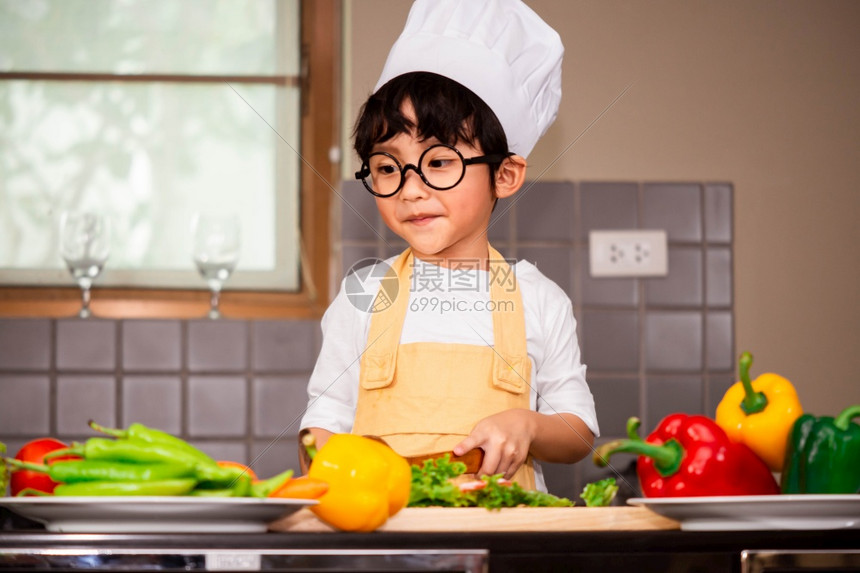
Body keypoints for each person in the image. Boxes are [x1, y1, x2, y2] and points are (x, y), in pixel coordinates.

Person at [300, 0, 598, 491]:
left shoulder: (538, 298)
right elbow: (325, 417)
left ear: (505, 174)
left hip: (505, 542)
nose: (410, 188)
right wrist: (326, 452)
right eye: (388, 167)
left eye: (438, 162)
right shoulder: (365, 295)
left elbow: (578, 432)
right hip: (387, 542)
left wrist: (528, 424)